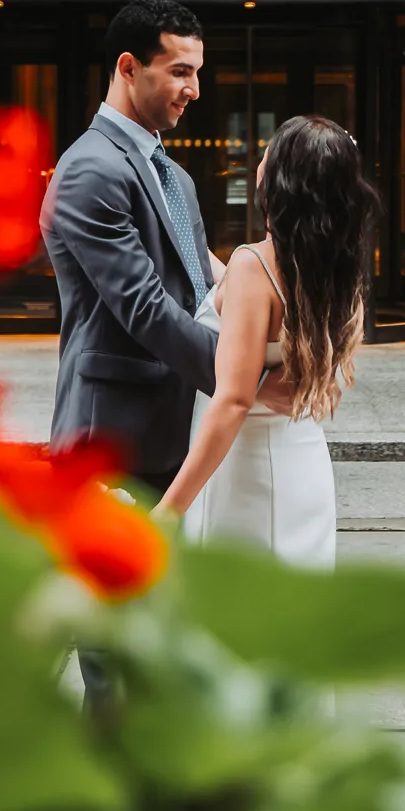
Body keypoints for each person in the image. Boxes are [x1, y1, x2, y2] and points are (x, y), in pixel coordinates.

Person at [154, 114, 381, 567]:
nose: (259, 159)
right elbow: (250, 304)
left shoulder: (253, 265)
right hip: (301, 459)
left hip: (248, 469)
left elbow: (232, 401)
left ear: (281, 179)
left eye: (268, 153)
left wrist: (167, 511)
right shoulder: (331, 265)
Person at [42, 0, 227, 494]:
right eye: (180, 72)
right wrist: (240, 369)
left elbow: (201, 281)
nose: (194, 90)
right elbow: (144, 306)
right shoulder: (89, 169)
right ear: (129, 68)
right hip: (111, 441)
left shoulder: (176, 178)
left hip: (174, 430)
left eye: (197, 72)